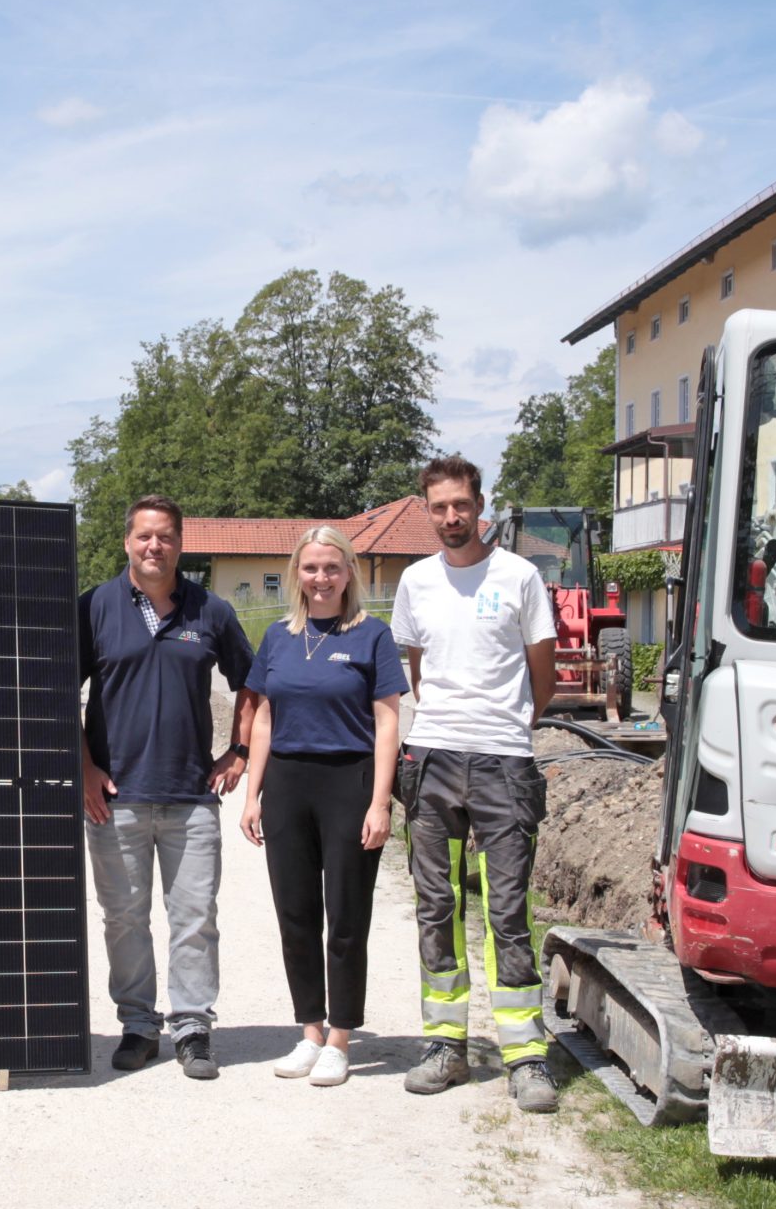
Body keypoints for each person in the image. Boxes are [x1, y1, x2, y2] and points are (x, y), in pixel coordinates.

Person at [392, 456, 561, 1112]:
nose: (451, 517)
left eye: (460, 505)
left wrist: (508, 726)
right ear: (426, 511)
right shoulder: (415, 581)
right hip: (432, 759)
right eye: (439, 507)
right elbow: (419, 671)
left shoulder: (519, 576)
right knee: (436, 905)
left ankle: (525, 1055)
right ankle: (446, 1046)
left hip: (503, 763)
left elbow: (543, 676)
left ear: (480, 505)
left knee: (507, 909)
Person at [78, 495, 258, 1079]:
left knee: (195, 919)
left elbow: (253, 683)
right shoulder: (93, 607)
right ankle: (137, 1026)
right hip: (115, 799)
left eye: (166, 536)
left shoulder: (211, 611)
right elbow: (53, 691)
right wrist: (84, 767)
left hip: (191, 797)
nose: (154, 546)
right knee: (124, 920)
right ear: (127, 541)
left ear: (181, 543)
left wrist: (239, 751)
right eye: (144, 536)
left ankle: (192, 1028)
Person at [237, 526, 406, 1088]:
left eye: (332, 567)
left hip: (349, 782)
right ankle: (310, 1030)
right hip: (287, 785)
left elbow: (388, 722)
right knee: (296, 914)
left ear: (348, 572)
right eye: (311, 567)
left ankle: (340, 1037)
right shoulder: (278, 637)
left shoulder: (372, 635)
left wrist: (380, 803)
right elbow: (263, 718)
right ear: (297, 574)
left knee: (346, 917)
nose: (321, 577)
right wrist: (253, 794)